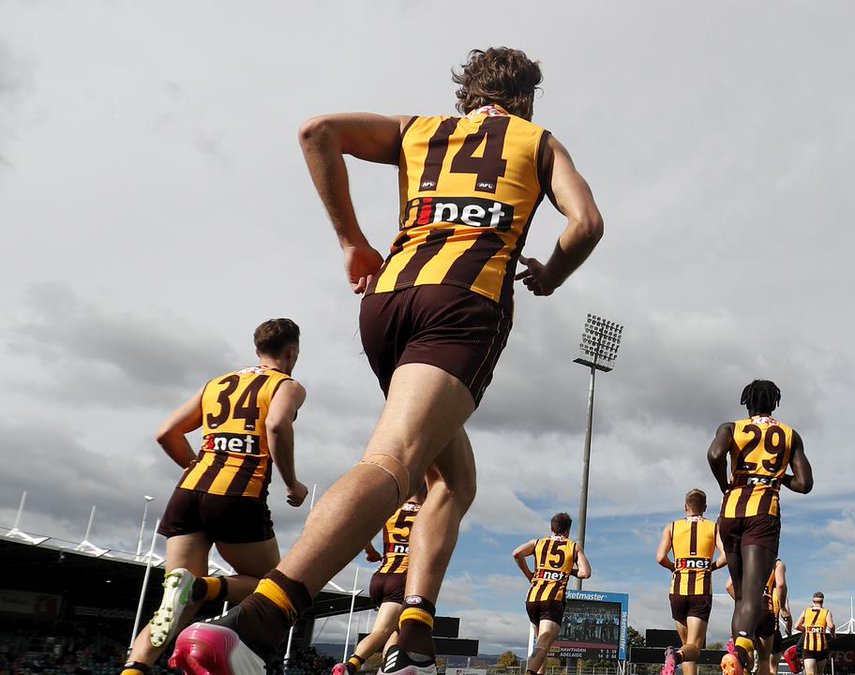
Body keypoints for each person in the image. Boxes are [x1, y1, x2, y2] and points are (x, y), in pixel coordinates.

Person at [171, 46, 603, 675]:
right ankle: (258, 621)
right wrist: (553, 273)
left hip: (387, 303)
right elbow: (585, 222)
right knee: (394, 460)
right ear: (527, 98)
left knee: (453, 483)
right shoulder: (536, 140)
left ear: (467, 94)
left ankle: (416, 636)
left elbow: (317, 132)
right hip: (462, 303)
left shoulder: (417, 131)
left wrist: (352, 241)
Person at [119, 319, 308, 675]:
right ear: (292, 351)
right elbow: (277, 425)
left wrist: (197, 464)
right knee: (271, 586)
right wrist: (292, 484)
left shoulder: (217, 383)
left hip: (188, 493)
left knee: (172, 608)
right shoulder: (287, 385)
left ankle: (134, 668)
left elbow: (165, 432)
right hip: (238, 495)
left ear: (257, 349)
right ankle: (203, 588)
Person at [708, 380, 813, 675]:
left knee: (741, 595)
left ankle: (737, 654)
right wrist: (777, 478)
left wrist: (725, 483)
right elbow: (805, 483)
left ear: (747, 403)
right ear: (775, 404)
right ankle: (740, 649)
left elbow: (715, 455)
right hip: (763, 513)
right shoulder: (790, 435)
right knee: (754, 592)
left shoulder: (730, 428)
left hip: (730, 510)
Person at [331, 483, 428, 675]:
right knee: (381, 631)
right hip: (402, 579)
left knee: (396, 632)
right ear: (426, 491)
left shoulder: (392, 510)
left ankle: (386, 669)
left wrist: (371, 551)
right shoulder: (426, 513)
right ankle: (349, 666)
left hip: (381, 576)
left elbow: (362, 531)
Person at [655, 489, 727, 675]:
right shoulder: (713, 527)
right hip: (700, 592)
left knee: (687, 646)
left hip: (677, 591)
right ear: (704, 507)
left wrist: (673, 567)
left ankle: (677, 656)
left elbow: (660, 557)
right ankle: (675, 657)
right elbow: (725, 556)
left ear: (685, 507)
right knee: (693, 648)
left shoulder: (672, 526)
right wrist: (712, 566)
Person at [514, 513, 592, 675]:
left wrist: (530, 574)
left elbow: (517, 553)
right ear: (568, 531)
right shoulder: (573, 546)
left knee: (542, 646)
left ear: (551, 528)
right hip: (553, 599)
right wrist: (568, 570)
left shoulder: (538, 543)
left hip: (533, 598)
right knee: (543, 645)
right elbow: (585, 573)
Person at [726, 559, 789, 675]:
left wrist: (743, 602)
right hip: (766, 611)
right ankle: (747, 656)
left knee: (743, 660)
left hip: (746, 612)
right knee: (764, 660)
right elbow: (780, 585)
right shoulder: (776, 564)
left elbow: (729, 585)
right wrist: (784, 608)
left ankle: (745, 658)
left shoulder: (744, 560)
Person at [788, 592, 834, 675]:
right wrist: (833, 634)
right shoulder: (826, 612)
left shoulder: (806, 611)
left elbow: (796, 626)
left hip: (808, 647)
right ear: (822, 602)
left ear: (813, 601)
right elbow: (831, 626)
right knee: (819, 673)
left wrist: (806, 630)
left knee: (810, 673)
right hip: (821, 647)